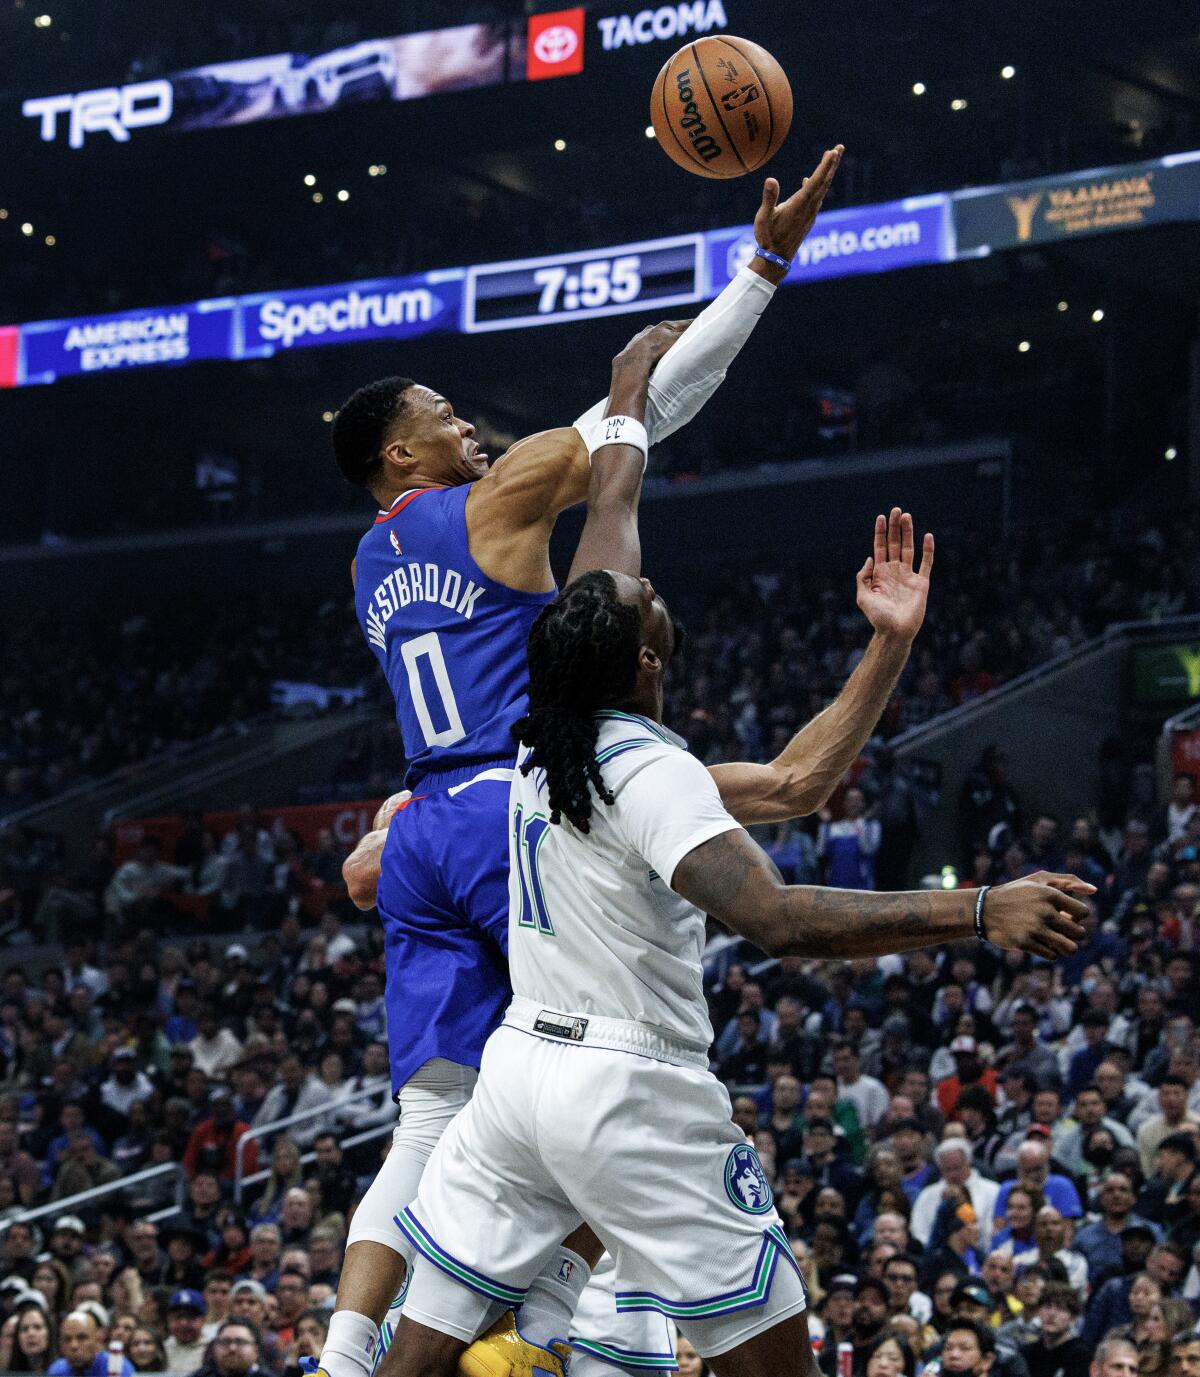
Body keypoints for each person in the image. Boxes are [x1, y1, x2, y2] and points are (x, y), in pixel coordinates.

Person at [319, 153, 850, 1377]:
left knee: (439, 1114)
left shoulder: (365, 562)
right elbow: (639, 428)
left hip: (428, 827)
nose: (465, 423)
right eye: (440, 416)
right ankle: (564, 1326)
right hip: (526, 807)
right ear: (400, 457)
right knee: (591, 1061)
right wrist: (760, 273)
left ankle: (349, 1355)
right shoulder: (492, 502)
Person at [379, 557, 1092, 1377]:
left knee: (415, 1359)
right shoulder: (649, 773)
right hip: (626, 1087)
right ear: (646, 657)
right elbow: (777, 921)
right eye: (641, 595)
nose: (651, 584)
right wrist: (977, 909)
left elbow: (798, 781)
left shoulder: (550, 754)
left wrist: (889, 643)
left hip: (519, 1077)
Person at [1021, 1283, 1087, 1377]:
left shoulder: (1080, 1357)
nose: (1052, 1314)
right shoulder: (1027, 1353)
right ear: (1039, 1311)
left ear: (1072, 1317)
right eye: (1048, 1306)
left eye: (1061, 1309)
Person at [48, 1311, 133, 1377]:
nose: (74, 1345)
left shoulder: (118, 1367)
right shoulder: (57, 1371)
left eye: (82, 1338)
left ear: (97, 1339)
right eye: (67, 1339)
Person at [163, 1290, 209, 1372]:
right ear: (168, 1320)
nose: (183, 1323)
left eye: (190, 1316)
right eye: (178, 1317)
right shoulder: (161, 1350)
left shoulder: (213, 1350)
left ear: (203, 1320)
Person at [8, 1301, 57, 1373]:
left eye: (37, 1327)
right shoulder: (6, 1372)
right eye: (24, 1329)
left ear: (49, 1333)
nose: (31, 1334)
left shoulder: (62, 1372)